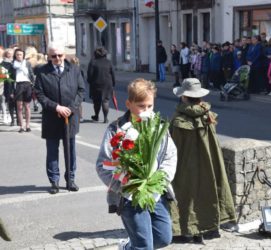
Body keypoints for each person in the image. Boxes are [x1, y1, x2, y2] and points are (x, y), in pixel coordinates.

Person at [95, 78, 177, 250]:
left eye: (150, 106)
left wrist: (160, 180)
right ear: (129, 103)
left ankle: (127, 247)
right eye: (141, 106)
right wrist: (123, 184)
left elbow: (170, 156)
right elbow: (103, 165)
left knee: (163, 238)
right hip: (129, 194)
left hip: (155, 191)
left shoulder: (159, 127)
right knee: (144, 246)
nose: (146, 111)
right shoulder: (116, 130)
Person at [170, 78, 236, 243]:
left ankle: (185, 230)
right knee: (210, 189)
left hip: (186, 162)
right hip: (210, 161)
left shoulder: (179, 119)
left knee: (185, 192)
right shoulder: (208, 115)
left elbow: (174, 146)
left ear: (184, 97)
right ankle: (211, 228)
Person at [34, 42, 85, 194]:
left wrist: (71, 108)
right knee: (52, 151)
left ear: (64, 55)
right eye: (53, 56)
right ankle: (54, 181)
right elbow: (39, 94)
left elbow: (81, 91)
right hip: (52, 117)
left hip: (70, 116)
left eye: (60, 55)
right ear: (48, 56)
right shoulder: (42, 72)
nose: (57, 58)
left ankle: (70, 179)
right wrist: (56, 107)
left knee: (70, 150)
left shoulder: (74, 69)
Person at [87, 47, 116, 123]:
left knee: (96, 101)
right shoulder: (109, 62)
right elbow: (113, 74)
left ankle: (96, 116)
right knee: (105, 101)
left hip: (96, 84)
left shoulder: (93, 62)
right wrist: (113, 83)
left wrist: (89, 81)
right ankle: (105, 118)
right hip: (107, 84)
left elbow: (90, 74)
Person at [13, 48, 35, 132]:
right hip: (18, 85)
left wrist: (33, 84)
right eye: (17, 54)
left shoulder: (27, 63)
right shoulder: (13, 64)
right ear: (15, 55)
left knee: (27, 106)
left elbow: (31, 74)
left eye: (20, 54)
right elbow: (10, 76)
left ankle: (28, 125)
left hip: (27, 84)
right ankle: (21, 126)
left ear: (23, 55)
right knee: (19, 107)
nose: (19, 56)